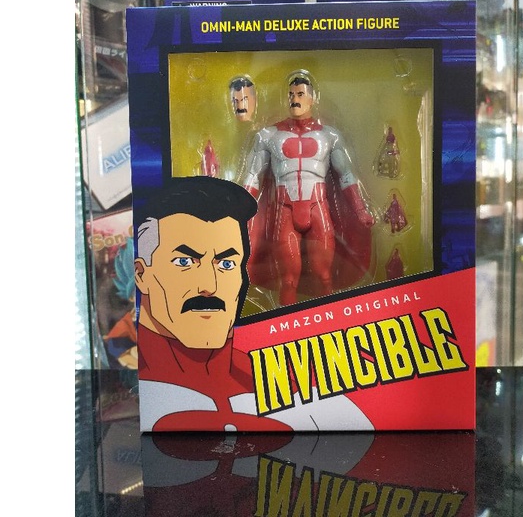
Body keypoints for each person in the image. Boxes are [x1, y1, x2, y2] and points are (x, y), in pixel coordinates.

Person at [135, 176, 372, 432]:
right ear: (141, 274)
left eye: (226, 264)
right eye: (184, 262)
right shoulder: (145, 391)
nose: (209, 286)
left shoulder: (301, 392)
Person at [241, 71, 375, 306]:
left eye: (300, 94)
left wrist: (361, 210)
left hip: (318, 208)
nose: (295, 99)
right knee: (288, 280)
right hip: (285, 210)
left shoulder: (329, 136)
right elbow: (253, 176)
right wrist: (238, 210)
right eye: (291, 94)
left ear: (312, 99)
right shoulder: (269, 135)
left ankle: (331, 322)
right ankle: (284, 325)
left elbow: (346, 175)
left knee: (325, 277)